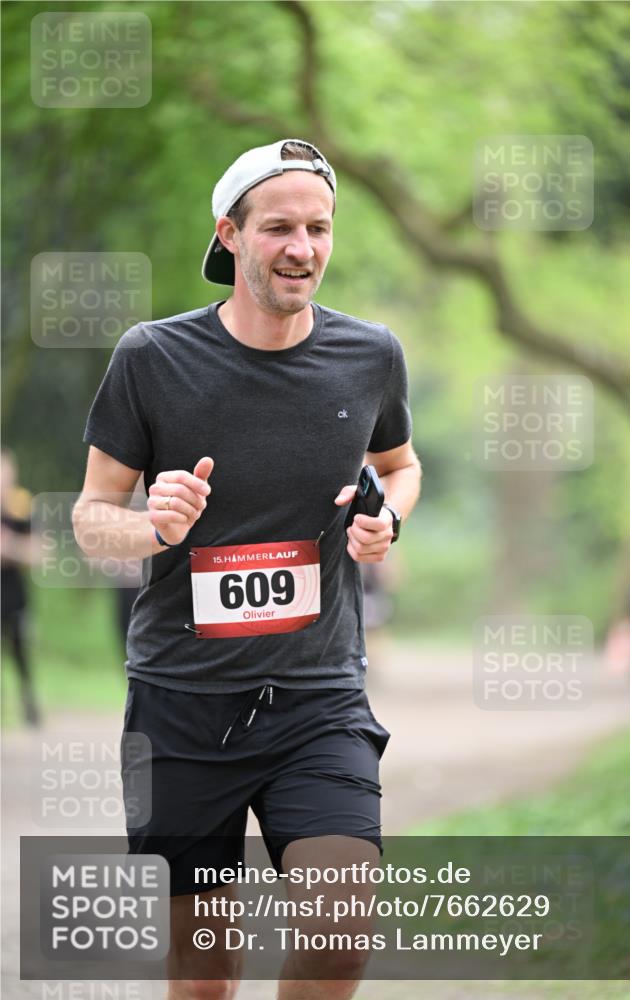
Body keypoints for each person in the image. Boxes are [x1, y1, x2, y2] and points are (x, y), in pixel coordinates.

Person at [73, 138, 421, 1000]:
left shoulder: (369, 355)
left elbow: (402, 466)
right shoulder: (152, 358)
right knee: (202, 977)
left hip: (317, 697)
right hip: (182, 704)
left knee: (339, 924)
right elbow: (88, 519)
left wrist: (388, 524)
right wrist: (152, 529)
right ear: (228, 234)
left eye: (318, 227)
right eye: (278, 228)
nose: (301, 247)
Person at [1, 448, 40, 726]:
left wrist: (10, 547)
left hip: (14, 594)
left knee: (19, 651)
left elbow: (39, 554)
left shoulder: (21, 506)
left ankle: (29, 704)